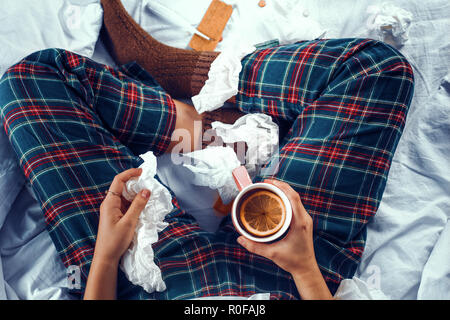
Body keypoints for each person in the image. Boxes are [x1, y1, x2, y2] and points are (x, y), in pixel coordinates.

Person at [0, 0, 414, 300]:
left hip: (150, 281)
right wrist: (305, 267)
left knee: (29, 82)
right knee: (376, 69)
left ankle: (190, 115)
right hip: (295, 279)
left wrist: (106, 258)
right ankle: (207, 97)